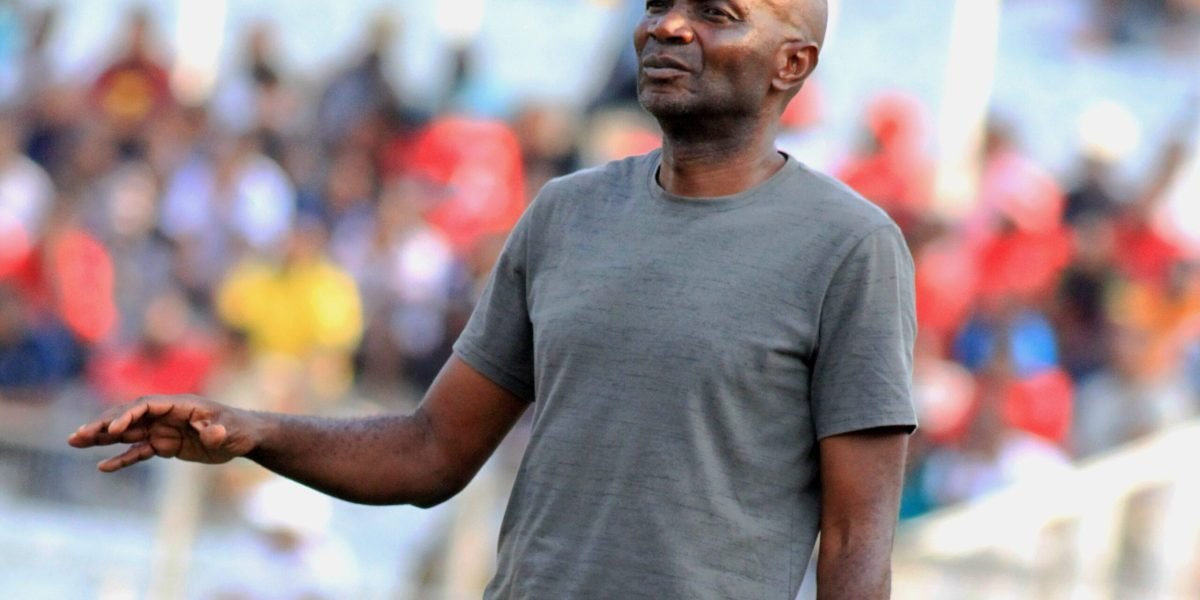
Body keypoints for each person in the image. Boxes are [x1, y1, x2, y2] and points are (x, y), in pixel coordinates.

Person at [68, 1, 917, 598]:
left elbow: (853, 540)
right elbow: (431, 450)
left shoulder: (849, 247)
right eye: (658, 3)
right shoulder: (567, 213)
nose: (667, 24)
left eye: (717, 11)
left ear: (792, 63)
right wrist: (253, 431)